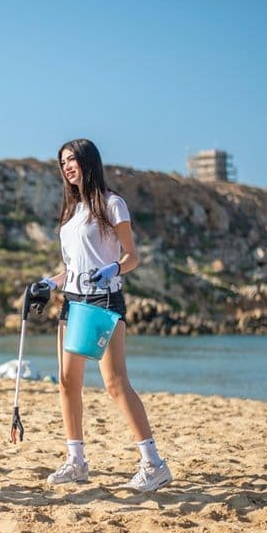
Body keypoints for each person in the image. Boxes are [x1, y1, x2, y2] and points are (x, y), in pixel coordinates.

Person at [28, 138, 172, 492]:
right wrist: (48, 282)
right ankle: (76, 461)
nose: (67, 166)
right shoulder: (71, 212)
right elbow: (71, 267)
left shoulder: (112, 203)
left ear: (88, 161)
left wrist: (113, 269)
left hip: (104, 299)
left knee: (115, 382)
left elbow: (132, 256)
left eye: (72, 159)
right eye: (63, 162)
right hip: (72, 300)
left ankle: (154, 464)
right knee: (67, 382)